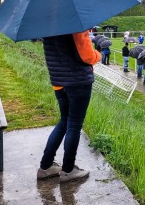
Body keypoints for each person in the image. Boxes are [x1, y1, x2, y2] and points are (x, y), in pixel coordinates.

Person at [37, 29, 100, 182]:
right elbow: (87, 56)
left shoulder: (48, 23)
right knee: (74, 125)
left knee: (64, 121)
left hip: (58, 81)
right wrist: (98, 54)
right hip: (77, 81)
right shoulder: (76, 25)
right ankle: (68, 170)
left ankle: (45, 167)